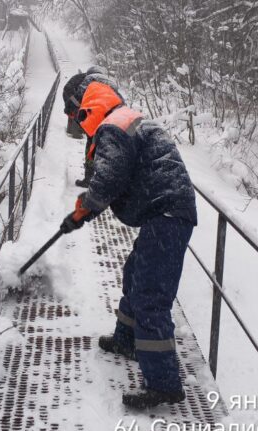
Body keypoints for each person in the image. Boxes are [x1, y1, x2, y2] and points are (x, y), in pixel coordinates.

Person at [59, 71, 198, 409]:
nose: (76, 125)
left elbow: (109, 178)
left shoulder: (112, 127)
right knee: (136, 274)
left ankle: (164, 384)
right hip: (163, 213)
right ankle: (126, 340)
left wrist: (81, 212)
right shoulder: (122, 118)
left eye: (74, 116)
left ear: (83, 108)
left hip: (167, 214)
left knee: (151, 295)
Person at [63, 66, 123, 187]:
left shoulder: (88, 80)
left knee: (91, 145)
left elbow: (77, 97)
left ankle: (89, 179)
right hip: (112, 118)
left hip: (94, 118)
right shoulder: (112, 84)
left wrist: (71, 110)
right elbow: (121, 103)